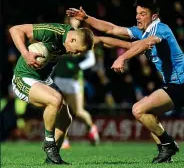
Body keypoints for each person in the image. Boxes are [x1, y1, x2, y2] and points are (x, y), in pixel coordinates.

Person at [66, 0, 184, 163]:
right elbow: (112, 29)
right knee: (147, 114)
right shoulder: (142, 31)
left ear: (154, 16)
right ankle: (165, 153)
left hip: (182, 85)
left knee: (138, 109)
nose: (138, 17)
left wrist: (122, 59)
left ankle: (168, 144)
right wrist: (86, 18)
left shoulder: (161, 29)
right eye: (137, 13)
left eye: (143, 14)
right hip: (174, 85)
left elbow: (144, 44)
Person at [9, 23, 133, 164]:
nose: (77, 54)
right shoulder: (52, 33)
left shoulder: (77, 38)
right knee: (56, 99)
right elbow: (15, 30)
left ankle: (52, 159)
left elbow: (103, 40)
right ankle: (49, 144)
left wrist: (130, 46)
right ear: (72, 40)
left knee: (66, 119)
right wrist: (25, 54)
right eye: (78, 50)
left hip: (43, 79)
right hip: (23, 77)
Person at [53, 17, 99, 148]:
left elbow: (91, 60)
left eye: (73, 19)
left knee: (78, 111)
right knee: (58, 110)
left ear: (78, 22)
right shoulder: (60, 35)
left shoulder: (83, 37)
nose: (70, 21)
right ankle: (63, 139)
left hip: (73, 81)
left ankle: (91, 128)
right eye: (68, 19)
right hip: (59, 79)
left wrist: (79, 67)